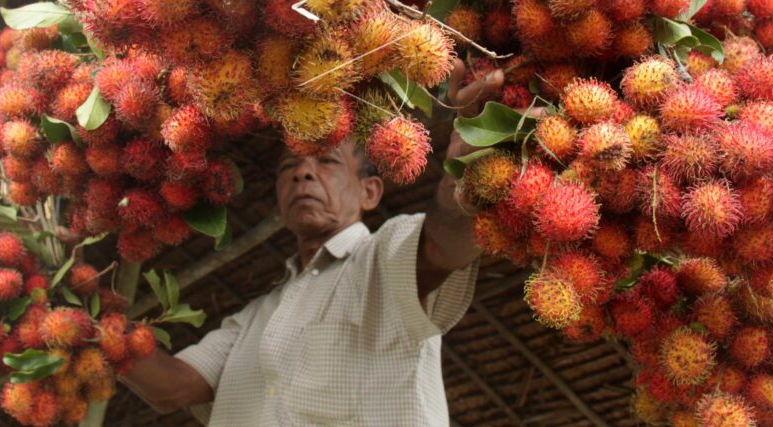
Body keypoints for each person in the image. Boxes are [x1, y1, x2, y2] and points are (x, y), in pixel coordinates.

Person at [121, 59, 505, 425]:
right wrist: (91, 327)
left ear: (369, 192)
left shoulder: (383, 261)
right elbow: (170, 388)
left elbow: (444, 247)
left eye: (327, 162)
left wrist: (465, 179)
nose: (303, 174)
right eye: (290, 166)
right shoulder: (254, 318)